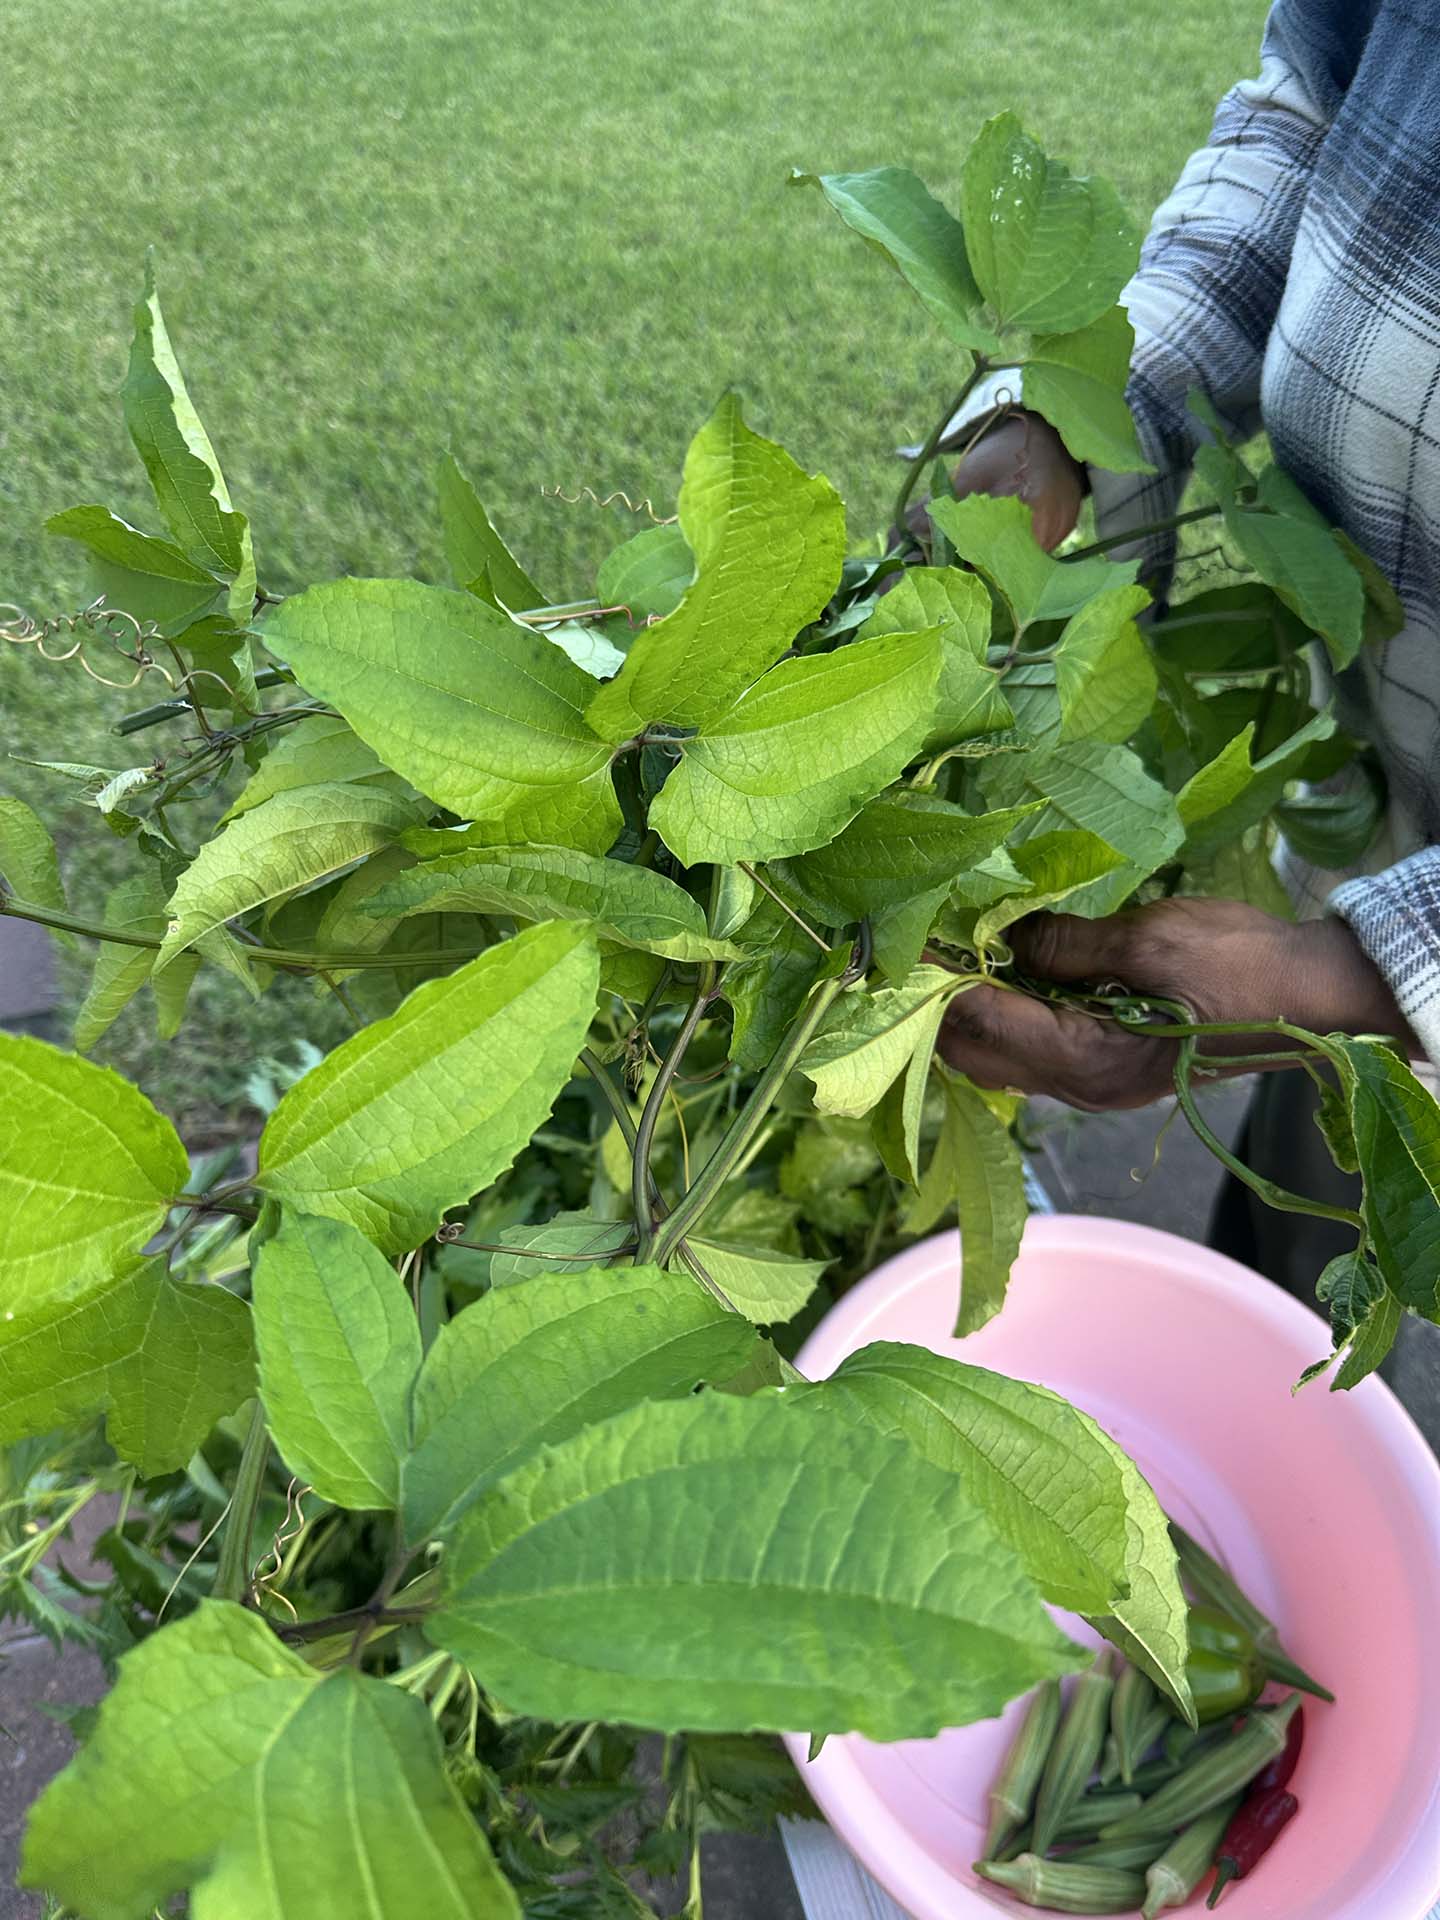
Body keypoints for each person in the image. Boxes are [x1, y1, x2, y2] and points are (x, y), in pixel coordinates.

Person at [931, 0, 1440, 1435]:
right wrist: (1099, 412)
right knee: (1305, 1286)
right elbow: (1312, 110)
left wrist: (1369, 979)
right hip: (1374, 812)